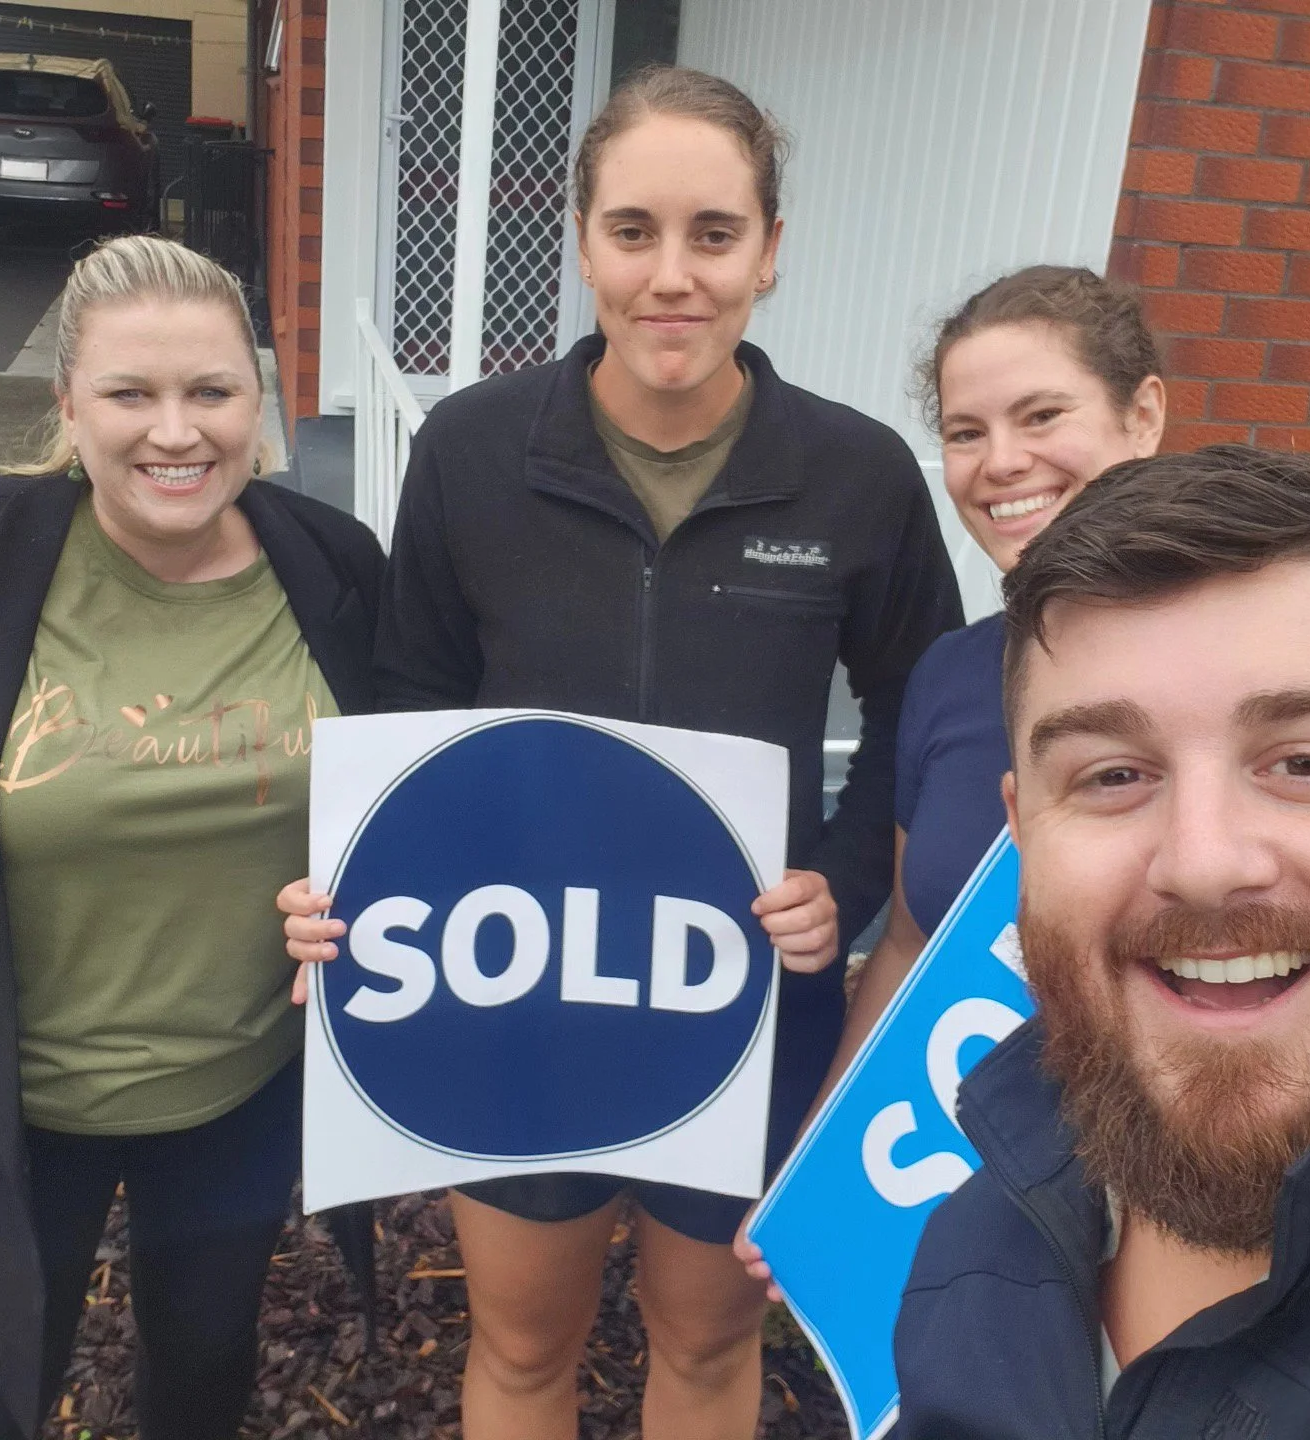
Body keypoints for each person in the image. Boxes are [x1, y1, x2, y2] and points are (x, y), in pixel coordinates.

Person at [282, 65, 961, 1440]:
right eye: (634, 230)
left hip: (746, 993)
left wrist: (841, 876)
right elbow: (415, 700)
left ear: (770, 252)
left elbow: (919, 706)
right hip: (516, 979)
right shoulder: (475, 449)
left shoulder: (858, 473)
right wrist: (359, 887)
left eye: (714, 234)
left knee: (704, 1349)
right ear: (585, 243)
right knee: (523, 1351)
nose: (673, 275)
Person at [0, 235, 385, 1440]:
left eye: (211, 392)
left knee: (202, 1366)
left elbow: (400, 799)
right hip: (3, 1109)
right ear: (68, 407)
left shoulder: (333, 569)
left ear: (260, 400)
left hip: (233, 1089)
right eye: (130, 394)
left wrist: (351, 898)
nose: (176, 432)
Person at [893, 445, 1310, 1436]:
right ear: (1022, 829)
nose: (1202, 863)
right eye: (1112, 776)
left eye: (1306, 760)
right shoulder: (979, 1238)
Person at [738, 264, 1165, 1290]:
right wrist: (826, 1151)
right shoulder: (953, 675)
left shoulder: (1256, 658)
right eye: (968, 432)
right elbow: (911, 948)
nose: (1000, 462)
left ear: (1142, 412)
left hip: (1173, 1213)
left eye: (1042, 414)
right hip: (959, 1200)